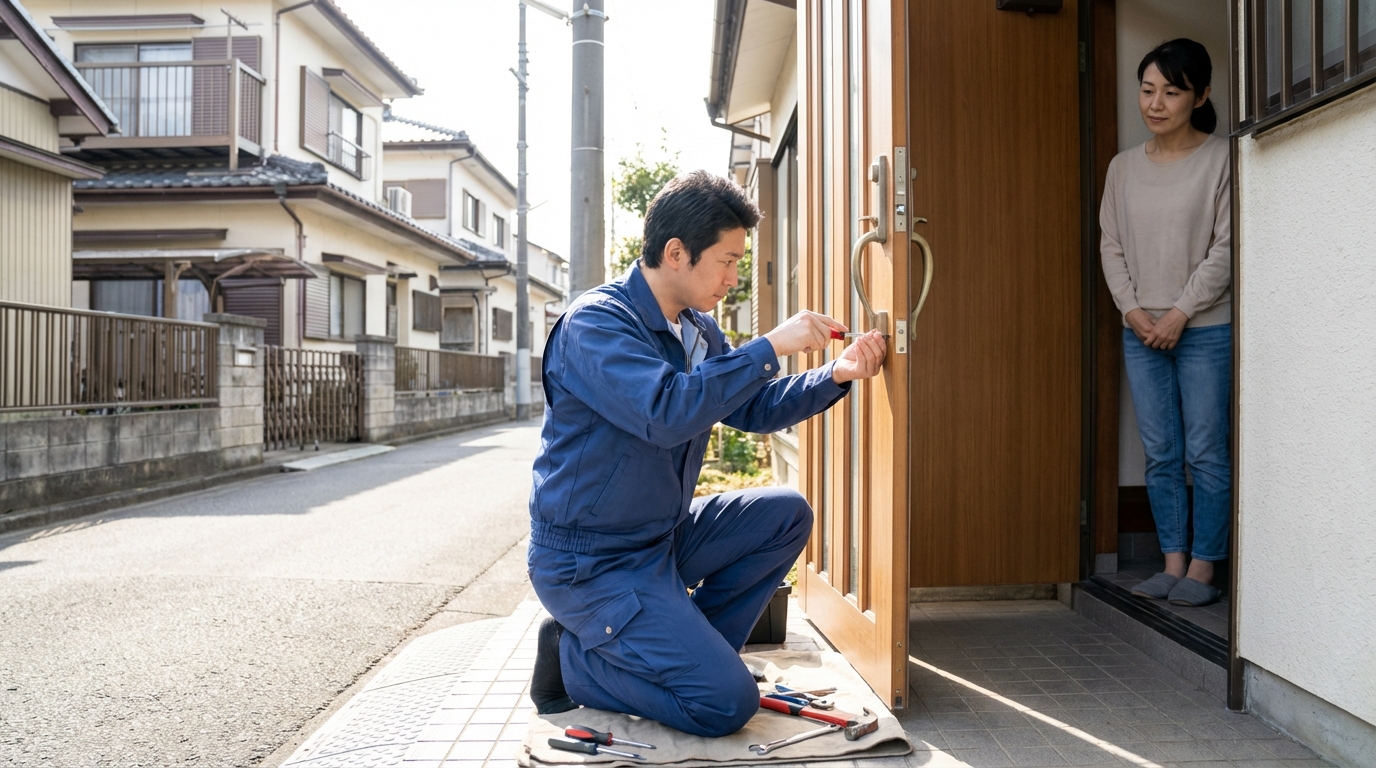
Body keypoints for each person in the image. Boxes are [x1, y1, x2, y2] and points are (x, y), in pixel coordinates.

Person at [526, 171, 886, 737]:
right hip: (590, 561)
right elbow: (664, 413)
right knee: (724, 706)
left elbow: (752, 407)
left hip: (659, 539)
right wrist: (770, 345)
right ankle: (575, 662)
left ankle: (692, 657)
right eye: (727, 260)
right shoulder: (596, 324)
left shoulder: (695, 330)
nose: (733, 278)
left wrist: (835, 374)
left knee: (785, 512)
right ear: (676, 252)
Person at [1100, 38, 1231, 608]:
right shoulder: (1123, 167)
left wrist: (1179, 312)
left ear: (1200, 95)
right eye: (1148, 89)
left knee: (1205, 451)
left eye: (1171, 92)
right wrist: (1134, 311)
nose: (1155, 103)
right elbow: (1111, 247)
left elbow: (1226, 248)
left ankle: (1204, 568)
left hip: (1204, 327)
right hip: (1140, 329)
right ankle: (1172, 560)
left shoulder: (1223, 158)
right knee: (1161, 451)